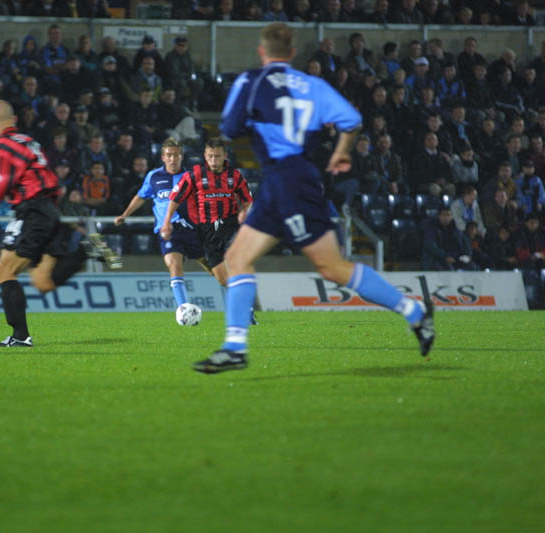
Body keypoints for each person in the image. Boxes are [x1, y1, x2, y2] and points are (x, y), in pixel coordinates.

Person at [194, 23, 435, 374]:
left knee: (332, 267)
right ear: (292, 55)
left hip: (288, 181)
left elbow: (229, 129)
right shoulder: (314, 85)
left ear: (262, 53)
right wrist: (340, 152)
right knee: (237, 257)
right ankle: (234, 347)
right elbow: (352, 121)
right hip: (289, 180)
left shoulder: (251, 81)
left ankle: (414, 312)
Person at [0, 100, 121, 348]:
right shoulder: (28, 142)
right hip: (46, 209)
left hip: (33, 211)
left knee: (4, 272)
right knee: (43, 281)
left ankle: (20, 337)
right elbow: (47, 179)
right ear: (14, 120)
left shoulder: (2, 145)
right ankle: (86, 250)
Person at [114, 138, 210, 315]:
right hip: (167, 230)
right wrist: (125, 214)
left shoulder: (192, 178)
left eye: (176, 155)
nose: (173, 159)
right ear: (163, 157)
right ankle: (183, 309)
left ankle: (244, 306)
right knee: (174, 264)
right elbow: (141, 196)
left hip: (191, 229)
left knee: (214, 267)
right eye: (169, 155)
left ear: (182, 156)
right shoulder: (154, 176)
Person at [161, 137, 253, 287]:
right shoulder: (194, 175)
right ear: (205, 156)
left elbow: (247, 199)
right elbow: (175, 199)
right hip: (206, 230)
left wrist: (244, 211)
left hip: (230, 225)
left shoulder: (235, 176)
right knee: (223, 279)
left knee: (235, 262)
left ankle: (246, 308)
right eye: (210, 156)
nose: (213, 160)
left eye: (217, 156)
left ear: (225, 156)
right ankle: (244, 303)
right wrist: (166, 222)